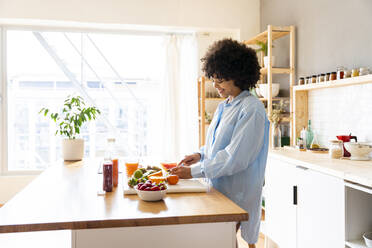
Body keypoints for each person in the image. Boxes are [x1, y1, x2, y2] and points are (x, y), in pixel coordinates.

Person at [171, 38, 270, 248]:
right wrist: (200, 155)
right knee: (222, 239)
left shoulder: (251, 109)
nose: (215, 86)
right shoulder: (224, 106)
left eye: (221, 80)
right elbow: (217, 146)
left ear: (238, 77)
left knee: (222, 238)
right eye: (214, 79)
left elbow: (235, 157)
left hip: (238, 191)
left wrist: (194, 171)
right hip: (220, 188)